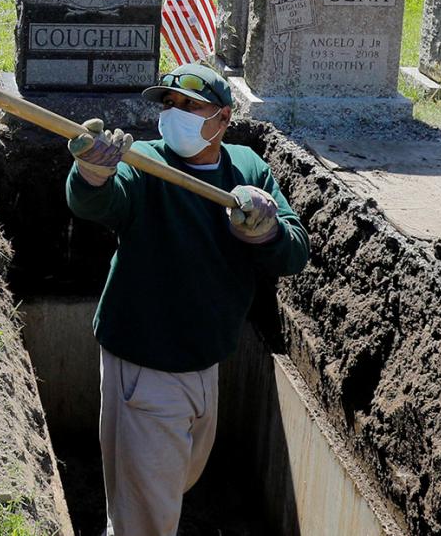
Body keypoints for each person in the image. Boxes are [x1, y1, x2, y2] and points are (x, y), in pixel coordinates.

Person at [63, 62, 308, 536]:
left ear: (222, 118)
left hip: (205, 362)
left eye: (191, 106)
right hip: (146, 365)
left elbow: (294, 251)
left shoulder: (248, 169)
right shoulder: (147, 165)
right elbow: (100, 203)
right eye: (170, 105)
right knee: (146, 519)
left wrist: (268, 229)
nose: (175, 115)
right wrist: (92, 175)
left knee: (173, 482)